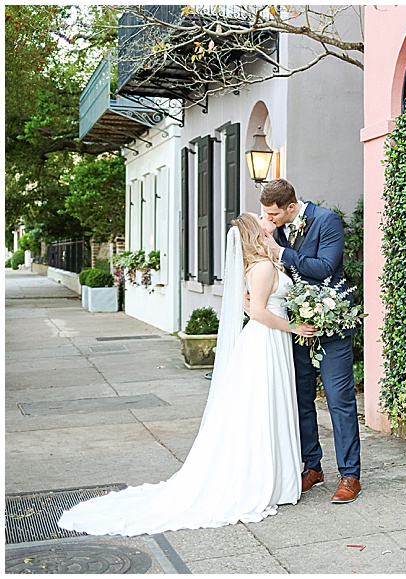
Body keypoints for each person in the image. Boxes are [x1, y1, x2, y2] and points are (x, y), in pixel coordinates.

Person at [58, 213, 316, 536]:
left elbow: (250, 307)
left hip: (269, 341)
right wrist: (293, 326)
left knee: (268, 407)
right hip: (266, 341)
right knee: (261, 408)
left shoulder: (264, 263)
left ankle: (277, 477)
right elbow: (260, 311)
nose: (265, 220)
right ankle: (264, 480)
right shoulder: (262, 267)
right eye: (259, 218)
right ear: (254, 231)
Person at [259, 179, 362, 504]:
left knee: (339, 401)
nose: (269, 219)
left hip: (331, 328)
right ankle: (312, 466)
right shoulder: (275, 228)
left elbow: (325, 268)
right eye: (265, 214)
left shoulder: (327, 221)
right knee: (301, 399)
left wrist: (282, 252)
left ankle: (349, 475)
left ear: (292, 207)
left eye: (273, 213)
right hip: (297, 326)